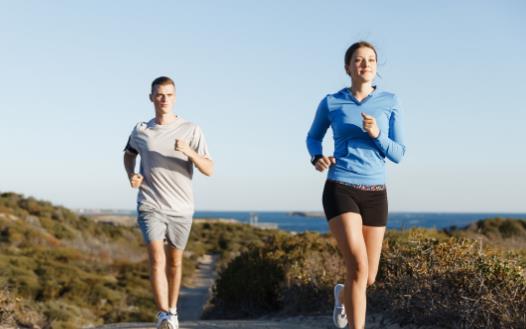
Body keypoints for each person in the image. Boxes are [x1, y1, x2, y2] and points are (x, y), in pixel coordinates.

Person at [306, 41, 405, 329]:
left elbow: (399, 154)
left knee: (368, 276)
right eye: (359, 60)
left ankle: (342, 294)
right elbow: (313, 137)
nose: (365, 65)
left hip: (376, 193)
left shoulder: (390, 101)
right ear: (348, 67)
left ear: (376, 67)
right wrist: (317, 157)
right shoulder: (332, 102)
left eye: (371, 60)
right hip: (341, 186)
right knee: (358, 267)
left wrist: (377, 134)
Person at [123, 76, 213, 329]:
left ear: (175, 97)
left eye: (169, 95)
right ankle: (162, 313)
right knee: (156, 257)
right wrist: (132, 175)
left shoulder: (191, 129)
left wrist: (190, 152)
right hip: (150, 203)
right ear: (151, 97)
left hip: (181, 207)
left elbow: (209, 169)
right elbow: (128, 155)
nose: (164, 99)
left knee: (174, 261)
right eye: (159, 94)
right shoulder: (141, 130)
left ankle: (172, 310)